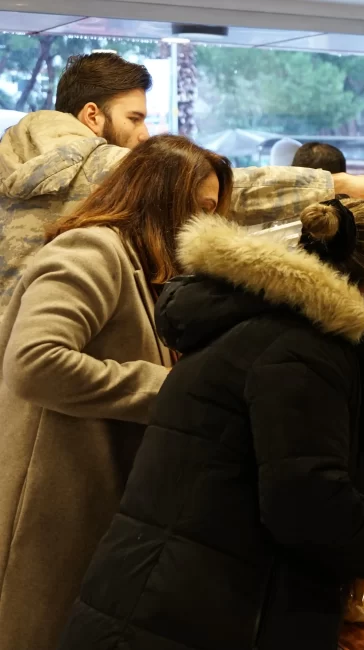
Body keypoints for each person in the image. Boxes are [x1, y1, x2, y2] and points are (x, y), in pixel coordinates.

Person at [58, 198, 364, 650]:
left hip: (156, 597)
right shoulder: (307, 350)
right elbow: (306, 507)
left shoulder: (256, 320)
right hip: (185, 616)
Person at [0, 135, 231, 650]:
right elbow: (34, 363)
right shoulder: (94, 249)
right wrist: (170, 388)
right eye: (199, 209)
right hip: (49, 504)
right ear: (160, 197)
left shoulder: (140, 261)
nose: (206, 226)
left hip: (87, 499)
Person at [0, 52, 364, 309]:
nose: (143, 135)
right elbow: (220, 188)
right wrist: (336, 185)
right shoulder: (100, 164)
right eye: (134, 118)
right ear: (92, 116)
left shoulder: (13, 158)